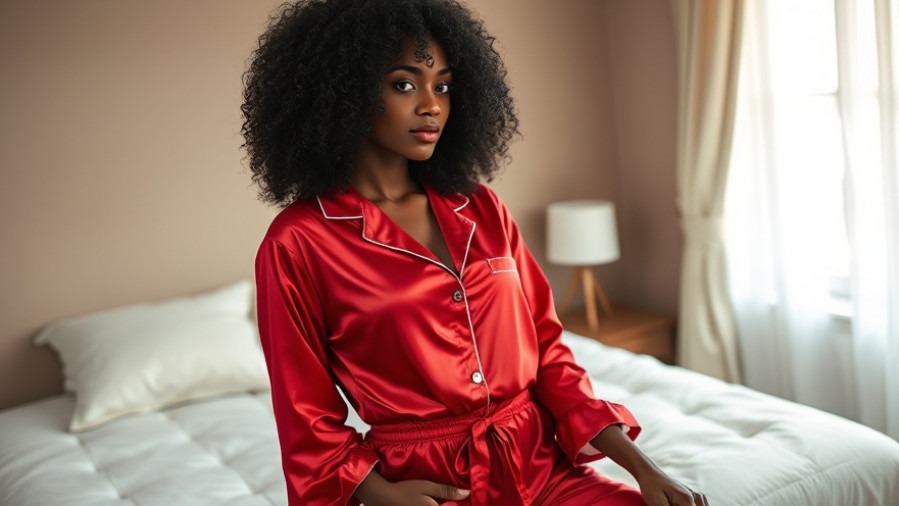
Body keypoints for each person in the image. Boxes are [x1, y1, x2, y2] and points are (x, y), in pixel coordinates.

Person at [243, 1, 708, 505]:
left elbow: (549, 352)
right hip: (427, 487)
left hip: (542, 467)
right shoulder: (299, 242)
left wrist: (642, 468)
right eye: (404, 84)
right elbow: (304, 413)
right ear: (344, 92)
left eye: (441, 85)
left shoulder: (482, 207)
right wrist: (379, 494)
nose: (432, 105)